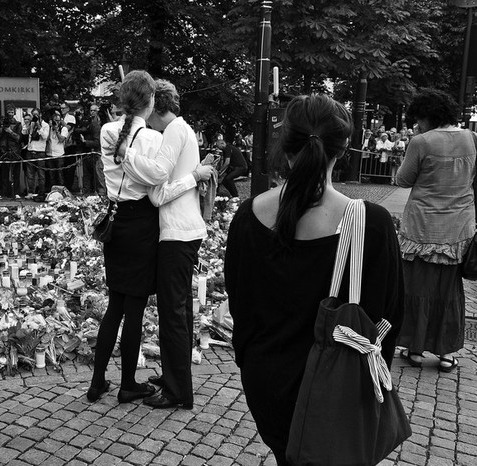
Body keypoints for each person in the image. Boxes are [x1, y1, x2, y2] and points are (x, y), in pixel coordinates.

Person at [224, 94, 404, 465]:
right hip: (336, 391)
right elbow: (388, 318)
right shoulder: (371, 224)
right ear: (342, 150)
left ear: (285, 145)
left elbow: (238, 300)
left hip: (266, 383)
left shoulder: (248, 216)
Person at [87, 70, 212, 405]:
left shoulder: (108, 131)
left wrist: (123, 155)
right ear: (151, 101)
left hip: (116, 220)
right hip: (143, 222)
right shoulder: (154, 139)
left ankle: (97, 381)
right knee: (136, 307)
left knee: (115, 305)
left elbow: (121, 169)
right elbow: (155, 181)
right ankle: (128, 383)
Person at [395, 88, 475, 372]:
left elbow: (403, 180)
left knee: (416, 286)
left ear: (427, 116)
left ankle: (414, 348)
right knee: (449, 290)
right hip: (457, 227)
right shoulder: (472, 138)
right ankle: (447, 353)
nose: (418, 125)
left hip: (422, 226)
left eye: (419, 119)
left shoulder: (421, 141)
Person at [215, 133, 248, 198]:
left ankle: (236, 196)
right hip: (236, 167)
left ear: (222, 144)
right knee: (224, 181)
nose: (219, 148)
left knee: (228, 179)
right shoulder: (227, 148)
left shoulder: (227, 148)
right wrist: (221, 173)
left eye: (218, 146)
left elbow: (227, 162)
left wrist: (220, 171)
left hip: (240, 167)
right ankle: (233, 195)